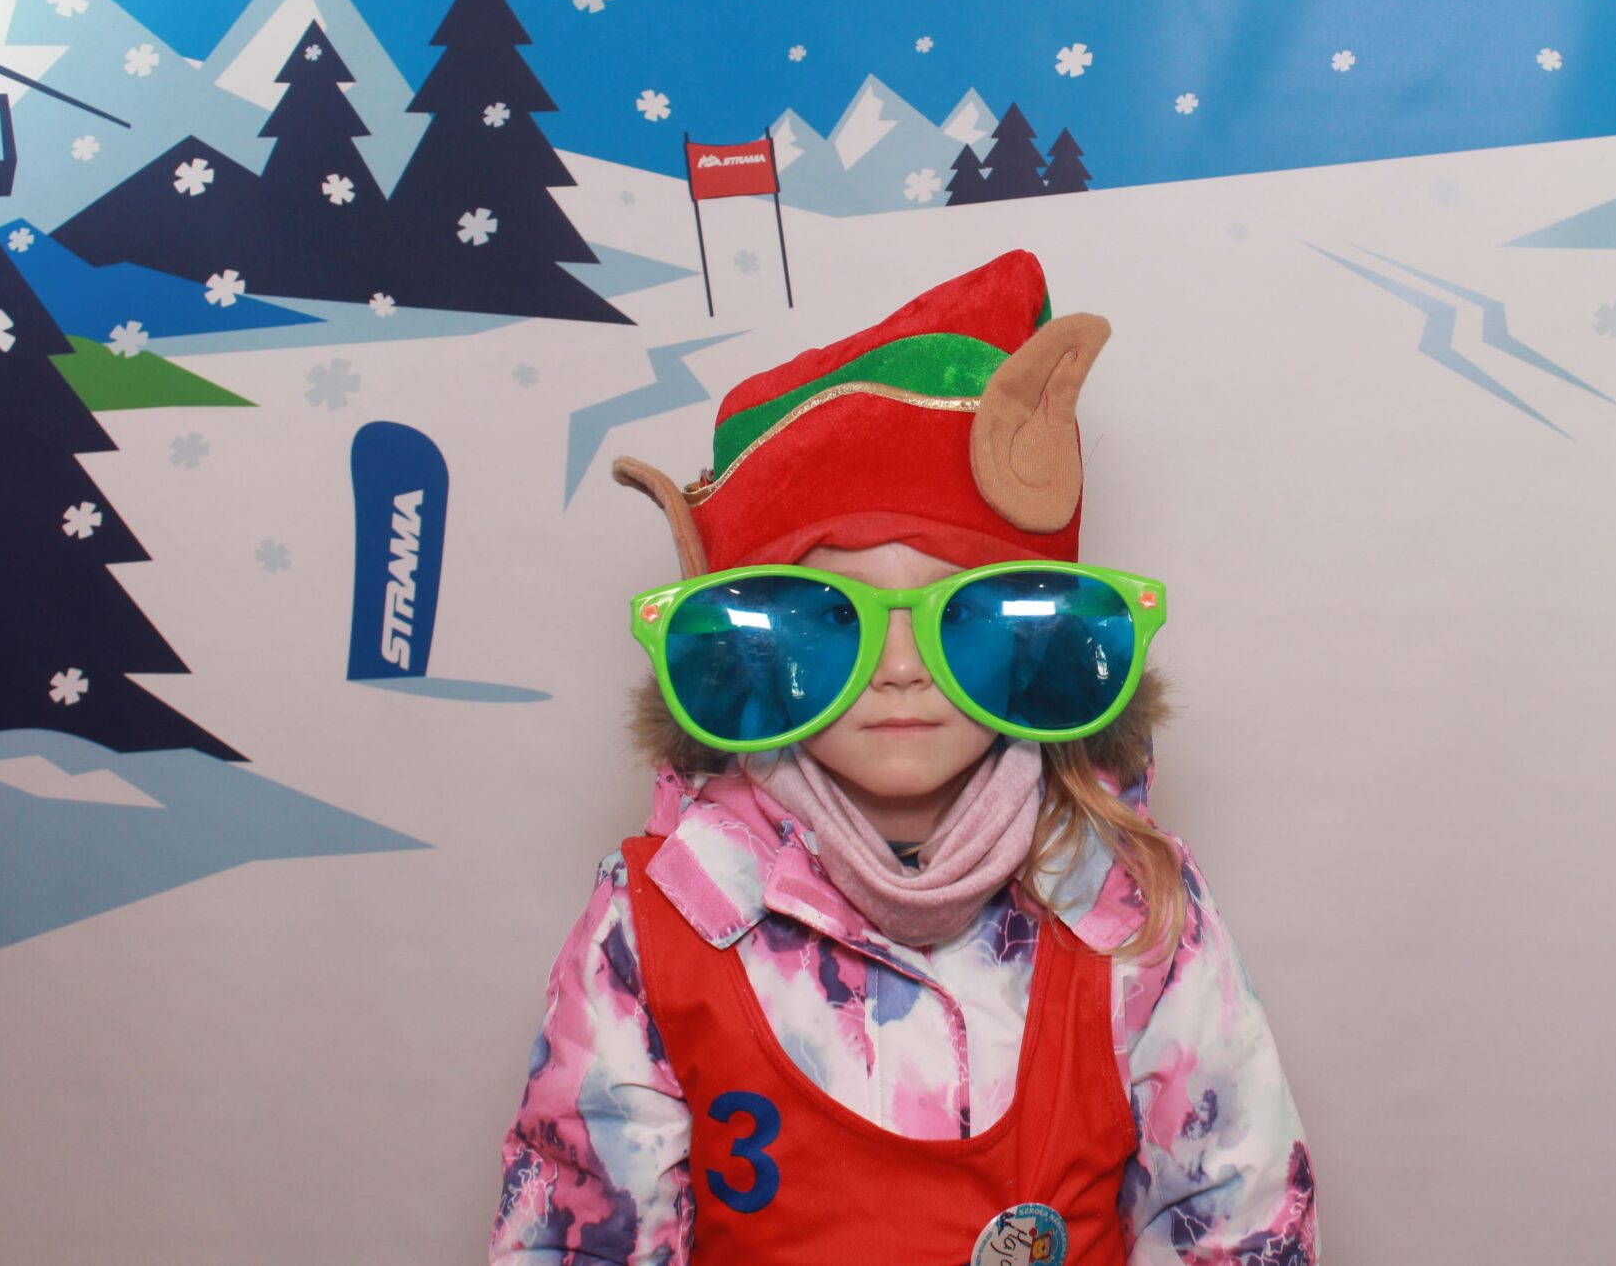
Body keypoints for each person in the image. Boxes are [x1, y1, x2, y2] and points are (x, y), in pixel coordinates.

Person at [488, 248, 1319, 1265]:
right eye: (832, 617)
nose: (898, 669)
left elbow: (1236, 1222)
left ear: (1033, 641)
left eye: (957, 612)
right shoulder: (658, 921)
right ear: (760, 650)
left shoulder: (1133, 906)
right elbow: (579, 1237)